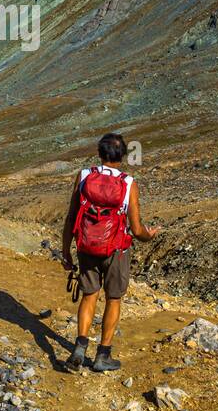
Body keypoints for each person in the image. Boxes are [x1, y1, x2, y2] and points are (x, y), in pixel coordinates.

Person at [61, 133, 158, 373]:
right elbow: (136, 229)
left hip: (86, 247)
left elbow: (72, 216)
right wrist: (150, 234)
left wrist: (66, 250)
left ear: (99, 153)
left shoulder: (84, 177)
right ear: (123, 156)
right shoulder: (128, 183)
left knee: (89, 295)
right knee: (113, 298)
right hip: (116, 250)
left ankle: (80, 347)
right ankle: (103, 355)